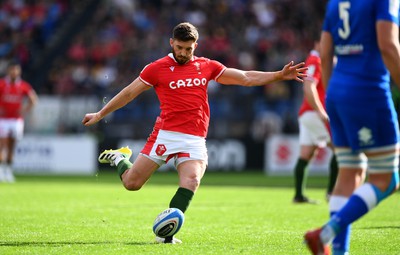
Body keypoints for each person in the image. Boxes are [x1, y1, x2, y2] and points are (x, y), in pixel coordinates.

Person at [82, 22, 307, 244]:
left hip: (194, 139)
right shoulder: (155, 68)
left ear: (195, 46)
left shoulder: (206, 66)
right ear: (171, 43)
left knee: (191, 181)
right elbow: (129, 93)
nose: (183, 53)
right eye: (179, 47)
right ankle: (121, 158)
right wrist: (101, 114)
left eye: (188, 49)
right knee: (132, 184)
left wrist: (277, 75)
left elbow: (246, 77)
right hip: (165, 134)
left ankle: (165, 235)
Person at [304, 1, 400, 254]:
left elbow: (325, 54)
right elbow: (388, 46)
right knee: (387, 178)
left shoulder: (336, 2)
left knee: (349, 173)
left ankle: (339, 251)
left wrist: (334, 96)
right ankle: (325, 233)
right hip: (369, 92)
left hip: (336, 93)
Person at [293, 37, 338, 204]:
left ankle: (298, 195)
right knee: (340, 148)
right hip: (314, 113)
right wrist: (320, 111)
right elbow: (308, 86)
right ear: (317, 43)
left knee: (306, 153)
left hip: (307, 113)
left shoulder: (320, 59)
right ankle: (332, 193)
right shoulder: (315, 59)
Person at [0, 61, 38, 182]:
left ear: (19, 71)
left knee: (11, 146)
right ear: (8, 71)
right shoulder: (2, 84)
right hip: (3, 120)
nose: (14, 72)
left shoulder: (23, 85)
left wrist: (25, 110)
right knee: (2, 145)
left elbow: (33, 99)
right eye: (12, 69)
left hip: (16, 120)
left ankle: (8, 171)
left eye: (16, 70)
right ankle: (1, 171)